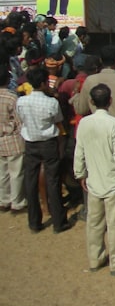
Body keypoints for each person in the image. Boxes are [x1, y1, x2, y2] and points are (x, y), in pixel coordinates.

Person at [73, 83, 115, 275]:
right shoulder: (114, 124)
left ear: (91, 101)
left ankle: (95, 258)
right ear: (109, 102)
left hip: (94, 181)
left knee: (94, 222)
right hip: (113, 181)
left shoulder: (84, 123)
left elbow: (79, 151)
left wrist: (80, 173)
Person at [17, 64, 70, 233]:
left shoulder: (22, 101)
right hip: (48, 142)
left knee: (30, 182)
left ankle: (34, 222)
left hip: (31, 143)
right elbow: (58, 119)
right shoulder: (51, 102)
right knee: (52, 181)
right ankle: (58, 222)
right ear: (42, 83)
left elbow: (21, 118)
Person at [0, 65, 26, 213]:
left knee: (2, 173)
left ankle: (4, 200)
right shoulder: (11, 97)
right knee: (15, 172)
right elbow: (19, 121)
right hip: (13, 140)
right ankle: (17, 202)